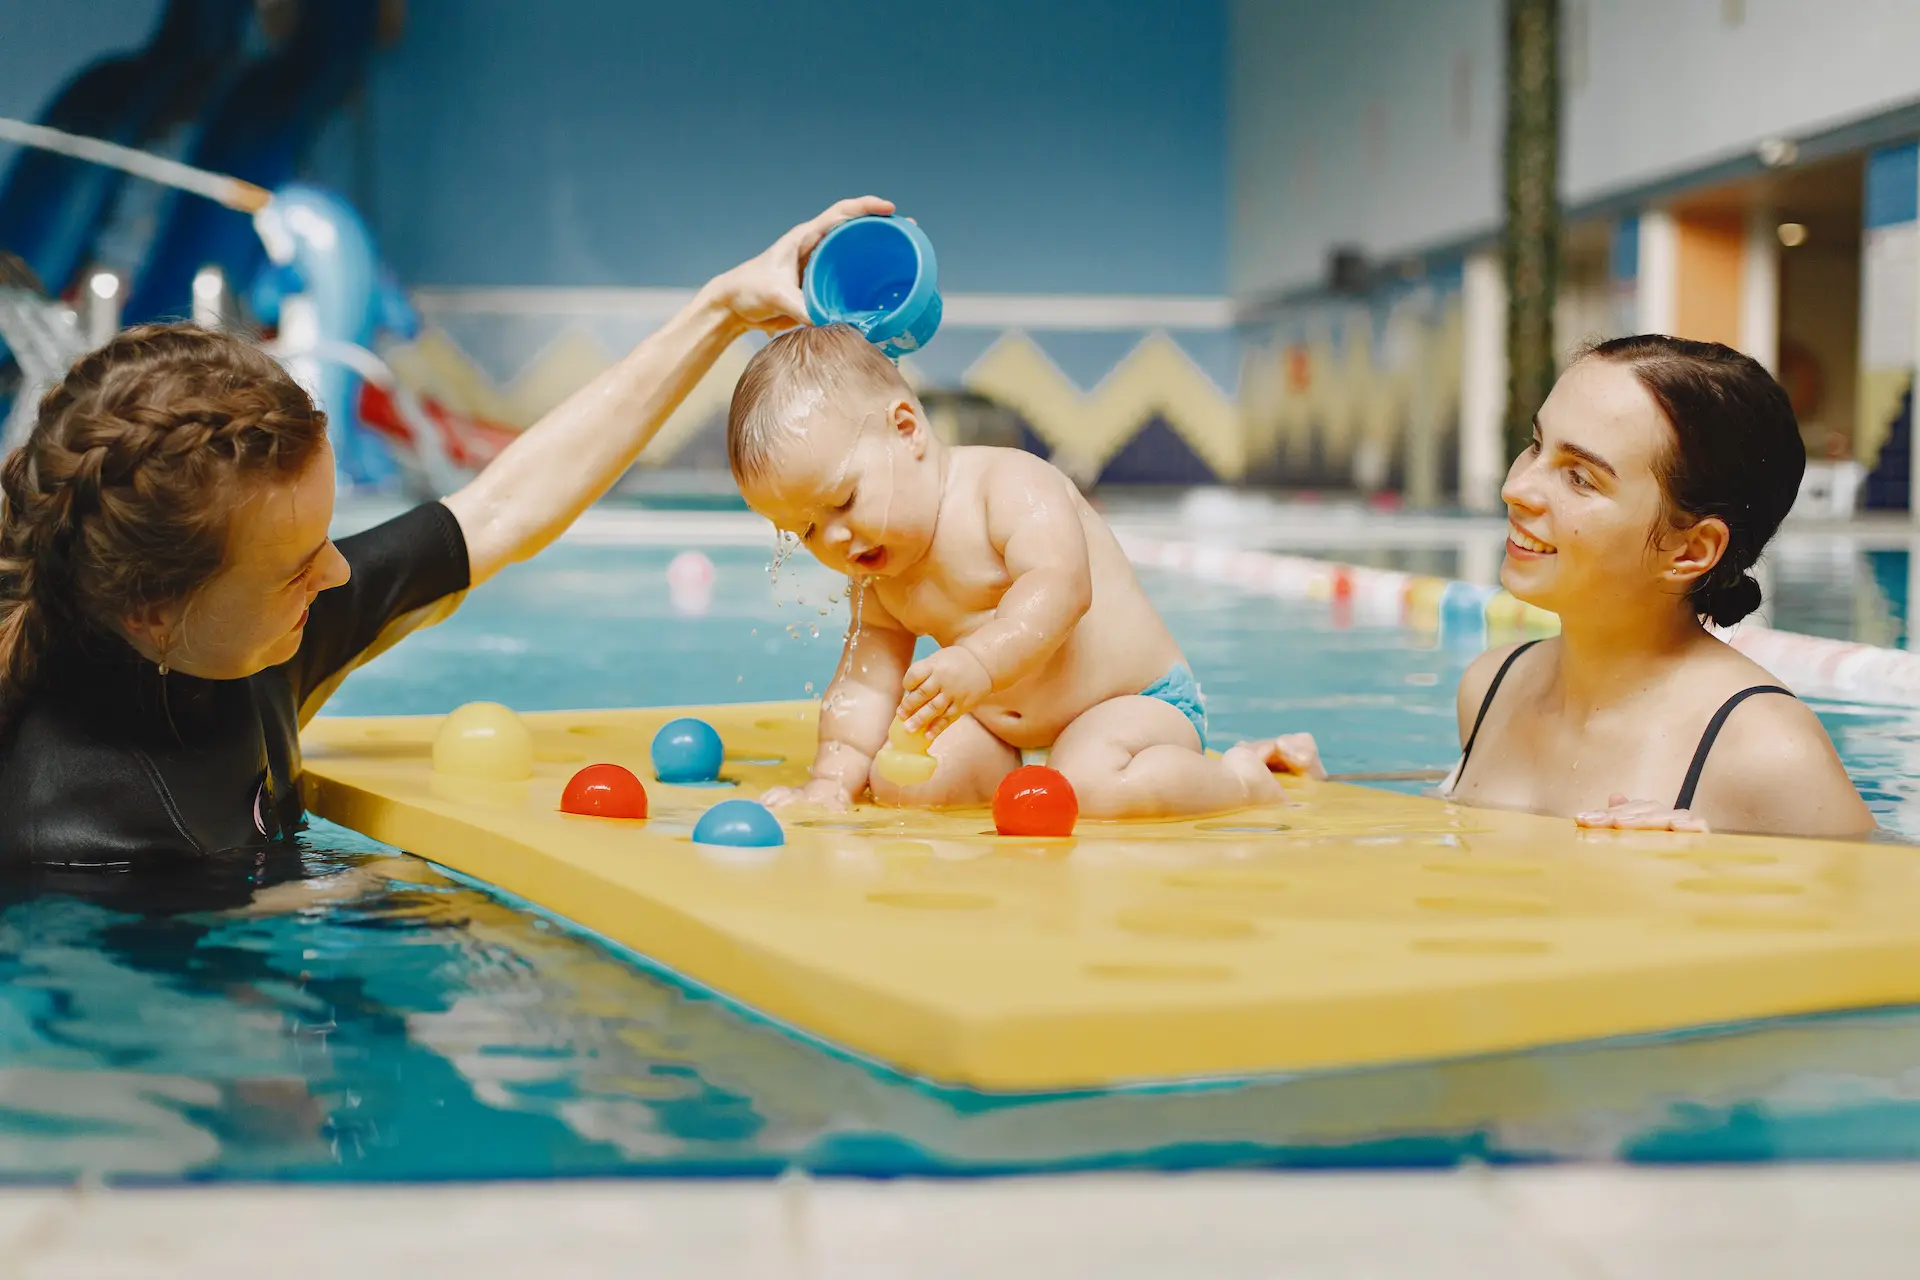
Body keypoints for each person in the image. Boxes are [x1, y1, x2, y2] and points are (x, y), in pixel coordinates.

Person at [0, 196, 895, 865]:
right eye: (296, 569)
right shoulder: (81, 837)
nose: (339, 577)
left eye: (326, 543)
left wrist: (723, 309)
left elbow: (500, 511)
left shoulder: (237, 638)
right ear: (152, 614)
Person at [726, 323, 1296, 818]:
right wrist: (830, 781)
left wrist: (979, 661)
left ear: (907, 429)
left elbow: (1062, 589)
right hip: (1007, 732)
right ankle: (1020, 771)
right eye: (805, 532)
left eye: (845, 501)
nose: (834, 539)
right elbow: (865, 683)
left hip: (1135, 705)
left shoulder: (1007, 487)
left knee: (1088, 785)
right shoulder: (878, 573)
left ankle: (1242, 780)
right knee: (903, 783)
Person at [1445, 334, 1873, 838]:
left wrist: (1715, 871)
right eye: (1536, 445)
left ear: (1691, 549)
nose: (1515, 489)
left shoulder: (1767, 752)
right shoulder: (1491, 688)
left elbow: (1882, 881)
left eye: (1580, 477)